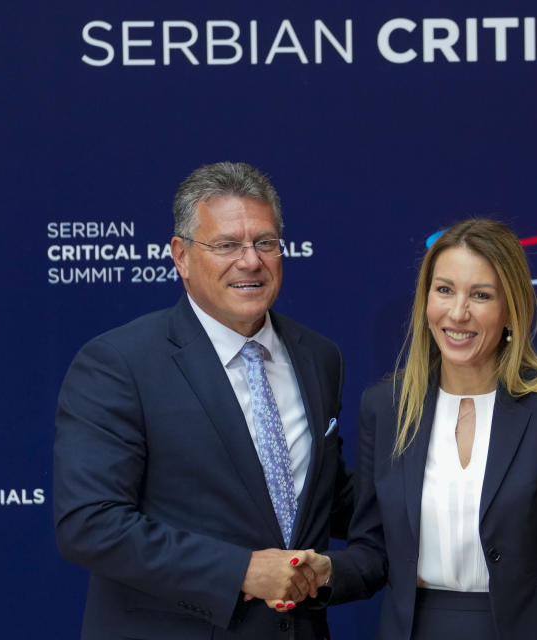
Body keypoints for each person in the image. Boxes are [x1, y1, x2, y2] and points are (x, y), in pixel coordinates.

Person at [54, 161, 350, 639]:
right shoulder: (118, 363)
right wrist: (241, 571)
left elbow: (322, 498)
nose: (250, 261)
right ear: (181, 256)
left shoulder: (319, 357)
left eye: (265, 243)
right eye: (226, 245)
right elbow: (90, 524)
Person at [282, 218, 537, 638]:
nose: (458, 312)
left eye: (481, 295)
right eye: (444, 290)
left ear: (511, 309)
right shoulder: (386, 407)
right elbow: (373, 551)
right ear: (425, 300)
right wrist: (325, 570)